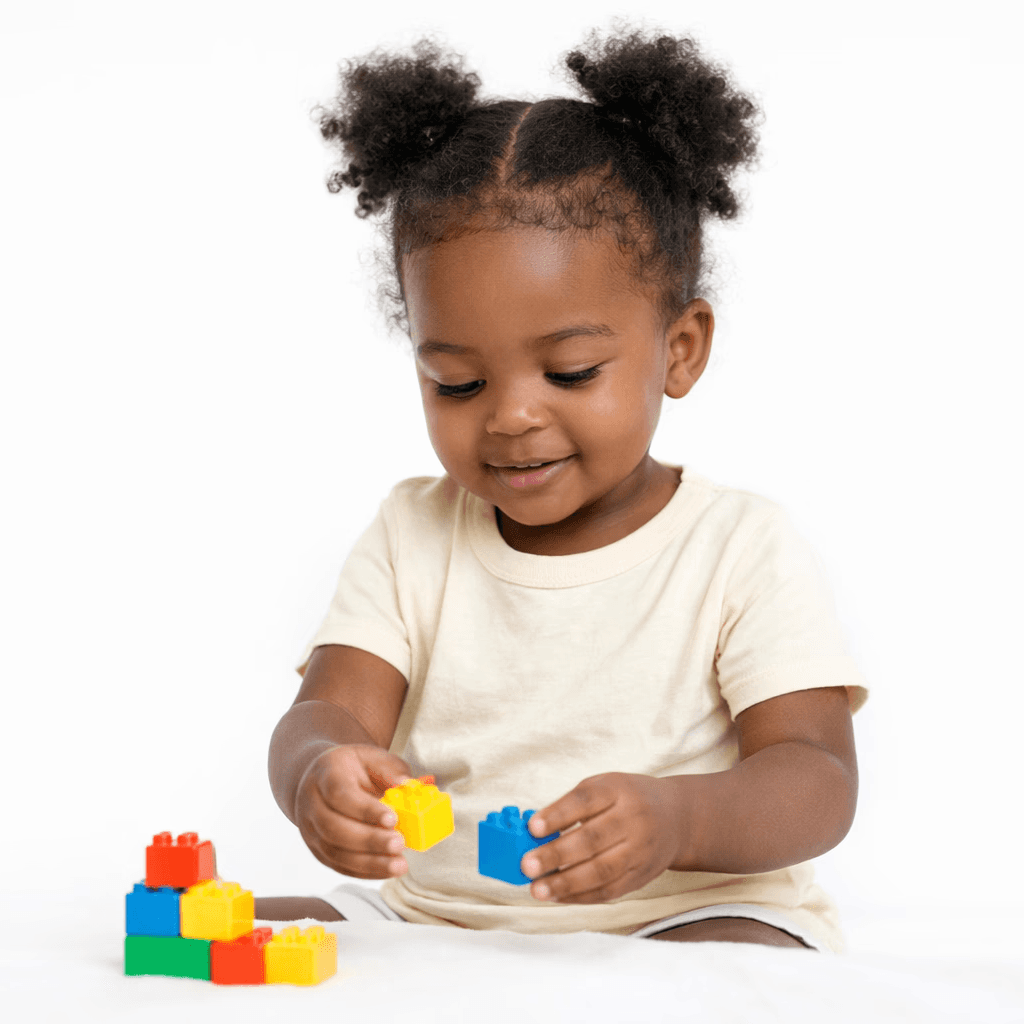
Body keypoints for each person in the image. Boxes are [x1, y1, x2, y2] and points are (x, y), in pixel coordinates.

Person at [258, 22, 868, 953]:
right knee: (232, 939)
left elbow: (818, 776)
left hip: (681, 912)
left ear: (680, 348)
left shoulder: (738, 546)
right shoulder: (412, 533)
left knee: (741, 965)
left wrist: (681, 821)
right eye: (457, 383)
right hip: (440, 915)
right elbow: (327, 711)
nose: (508, 417)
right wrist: (318, 773)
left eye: (572, 371)